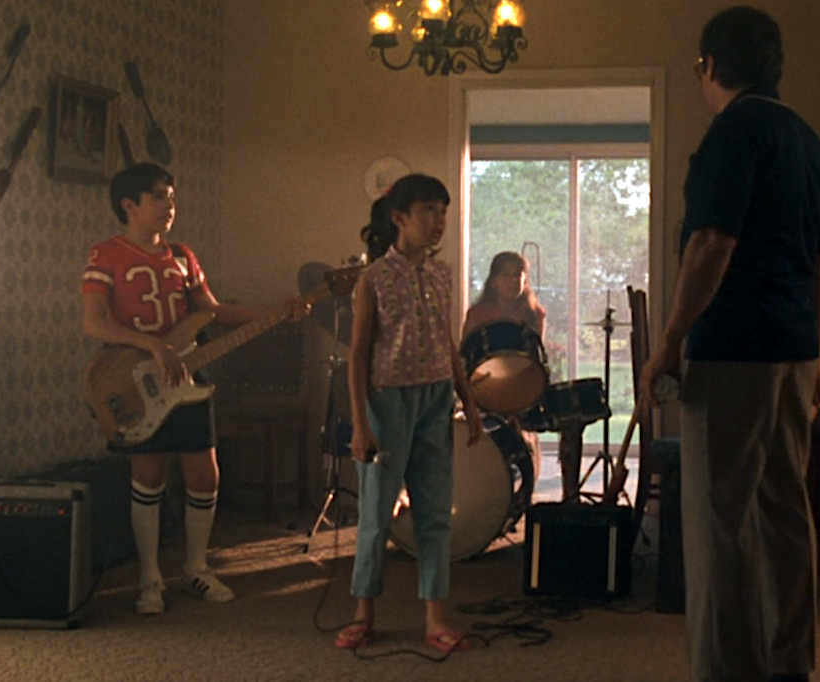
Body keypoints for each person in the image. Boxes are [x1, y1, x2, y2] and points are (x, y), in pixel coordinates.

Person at [638, 7, 820, 682]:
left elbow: (711, 242)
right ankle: (789, 665)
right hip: (793, 355)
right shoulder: (810, 145)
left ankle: (729, 671)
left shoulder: (731, 131)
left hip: (730, 354)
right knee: (783, 511)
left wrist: (669, 340)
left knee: (719, 521)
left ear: (710, 66)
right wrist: (816, 355)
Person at [82, 163, 309, 615]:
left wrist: (275, 310)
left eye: (172, 197)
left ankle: (196, 567)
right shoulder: (105, 254)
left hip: (188, 376)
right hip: (138, 378)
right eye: (160, 197)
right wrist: (152, 345)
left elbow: (213, 312)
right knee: (148, 474)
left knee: (204, 473)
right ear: (130, 205)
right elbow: (93, 321)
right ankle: (149, 578)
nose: (171, 206)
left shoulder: (182, 256)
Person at [339, 173, 484, 652]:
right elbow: (358, 353)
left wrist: (469, 401)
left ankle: (435, 618)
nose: (438, 221)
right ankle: (364, 611)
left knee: (435, 512)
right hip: (388, 401)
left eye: (443, 212)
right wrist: (361, 424)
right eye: (428, 211)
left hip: (437, 398)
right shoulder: (374, 278)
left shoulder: (441, 275)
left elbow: (448, 341)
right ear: (400, 218)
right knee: (378, 513)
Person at [462, 251, 547, 483]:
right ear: (493, 280)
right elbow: (465, 356)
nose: (512, 280)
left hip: (523, 389)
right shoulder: (477, 314)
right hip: (483, 389)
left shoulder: (535, 314)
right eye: (505, 274)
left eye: (518, 275)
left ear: (525, 279)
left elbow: (535, 360)